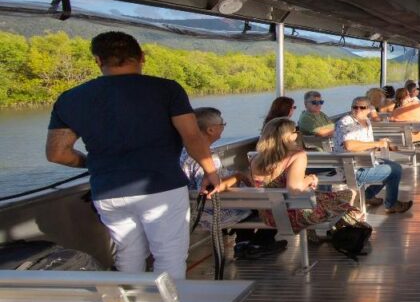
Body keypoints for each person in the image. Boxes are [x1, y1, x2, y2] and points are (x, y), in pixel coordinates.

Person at [45, 31, 221, 279]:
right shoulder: (166, 90)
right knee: (169, 254)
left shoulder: (71, 98)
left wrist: (93, 163)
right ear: (141, 57)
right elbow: (192, 137)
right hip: (161, 186)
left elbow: (57, 153)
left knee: (128, 253)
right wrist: (210, 172)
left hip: (107, 190)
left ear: (97, 60)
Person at [181, 107, 285, 257]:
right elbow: (211, 189)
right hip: (214, 213)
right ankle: (260, 242)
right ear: (210, 130)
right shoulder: (206, 158)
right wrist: (239, 176)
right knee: (276, 206)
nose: (223, 127)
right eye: (222, 124)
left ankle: (243, 242)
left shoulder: (182, 152)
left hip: (191, 210)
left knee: (249, 201)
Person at [249, 117, 359, 230]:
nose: (297, 133)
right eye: (295, 130)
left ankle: (324, 232)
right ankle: (341, 228)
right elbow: (294, 189)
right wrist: (310, 179)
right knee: (349, 193)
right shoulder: (296, 156)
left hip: (267, 216)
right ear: (290, 136)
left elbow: (275, 183)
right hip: (292, 216)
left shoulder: (255, 159)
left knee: (321, 197)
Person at [333, 97, 413, 214]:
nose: (358, 110)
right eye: (355, 107)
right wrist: (377, 143)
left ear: (369, 109)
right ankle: (391, 204)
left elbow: (365, 145)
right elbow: (349, 145)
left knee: (394, 166)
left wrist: (381, 143)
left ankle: (368, 196)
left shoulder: (367, 122)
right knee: (394, 171)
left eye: (362, 107)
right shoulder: (345, 122)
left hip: (365, 163)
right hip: (351, 169)